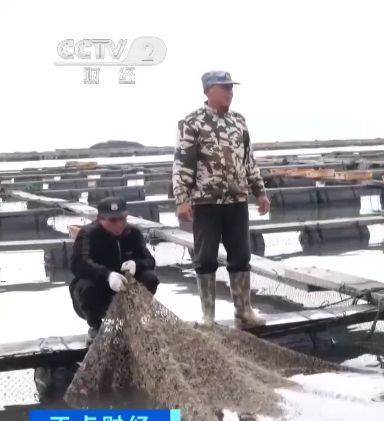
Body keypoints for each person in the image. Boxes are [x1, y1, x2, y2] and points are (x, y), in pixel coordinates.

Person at [172, 70, 270, 330]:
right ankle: (208, 317)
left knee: (241, 256)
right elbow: (183, 163)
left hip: (236, 200)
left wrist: (259, 191)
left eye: (230, 87)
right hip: (206, 202)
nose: (230, 91)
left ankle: (244, 312)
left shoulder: (239, 121)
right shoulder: (192, 122)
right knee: (205, 258)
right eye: (224, 87)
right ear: (208, 90)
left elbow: (248, 160)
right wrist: (182, 199)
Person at [70, 197, 159, 340]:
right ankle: (96, 325)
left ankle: (135, 319)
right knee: (85, 286)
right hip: (99, 291)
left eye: (122, 219)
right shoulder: (88, 234)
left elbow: (149, 260)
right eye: (112, 221)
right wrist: (107, 275)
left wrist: (137, 264)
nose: (119, 225)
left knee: (150, 278)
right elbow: (78, 263)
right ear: (100, 218)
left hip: (126, 288)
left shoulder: (133, 233)